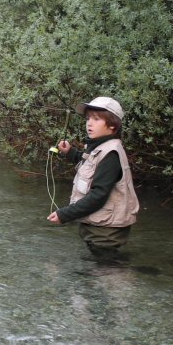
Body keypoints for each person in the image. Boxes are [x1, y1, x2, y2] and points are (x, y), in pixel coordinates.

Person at [46, 96, 139, 258]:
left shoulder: (111, 154)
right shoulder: (101, 146)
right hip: (101, 229)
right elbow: (91, 164)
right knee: (103, 267)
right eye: (88, 118)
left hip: (106, 232)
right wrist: (71, 153)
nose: (89, 123)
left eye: (96, 119)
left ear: (112, 125)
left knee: (107, 268)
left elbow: (98, 196)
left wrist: (64, 214)